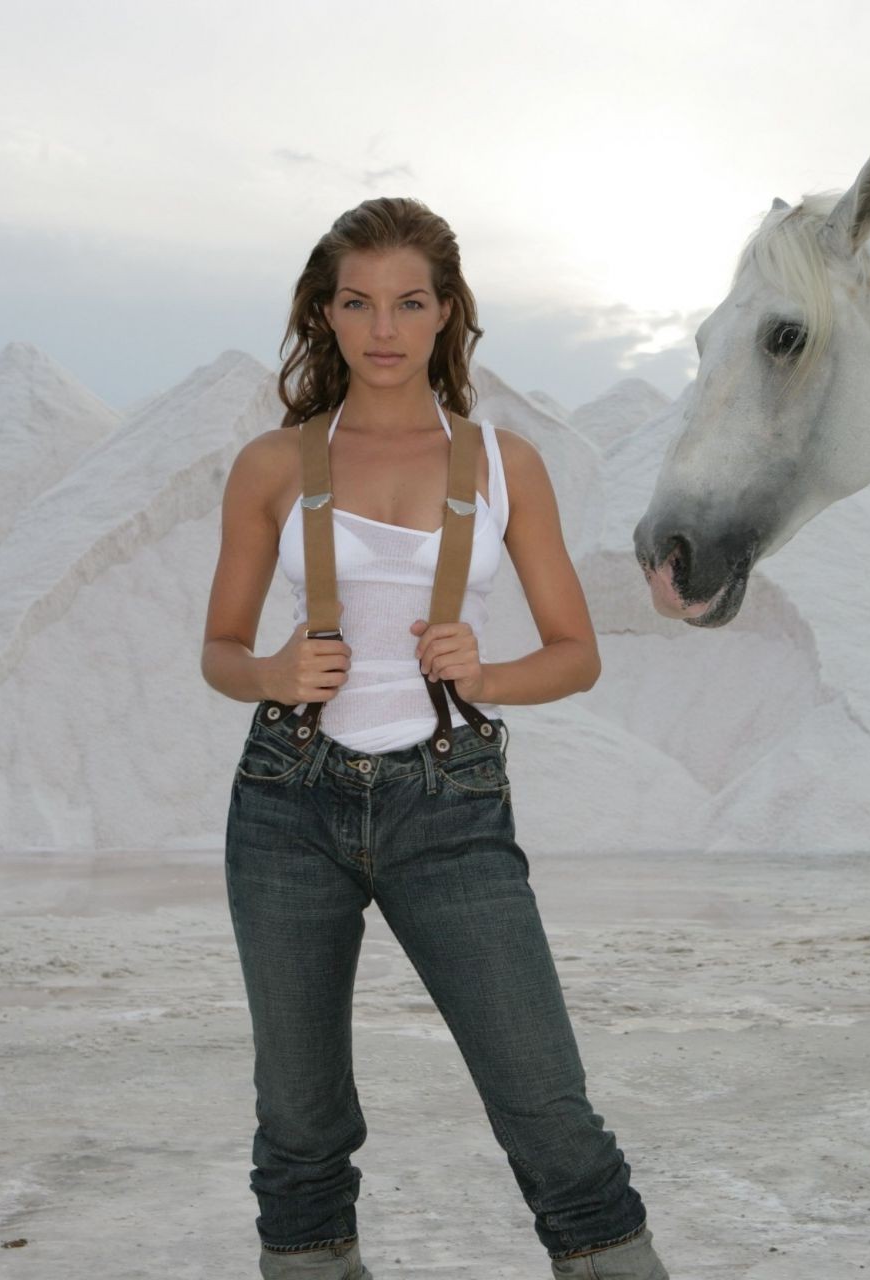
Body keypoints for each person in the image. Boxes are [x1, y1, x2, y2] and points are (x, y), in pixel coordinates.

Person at [200, 196, 670, 1280]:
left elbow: (576, 652)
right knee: (301, 1118)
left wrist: (486, 671)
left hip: (449, 803)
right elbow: (220, 648)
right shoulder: (273, 464)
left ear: (447, 312)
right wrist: (269, 670)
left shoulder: (507, 462)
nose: (383, 328)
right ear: (324, 313)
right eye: (358, 302)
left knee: (547, 1105)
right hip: (286, 802)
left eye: (410, 301)